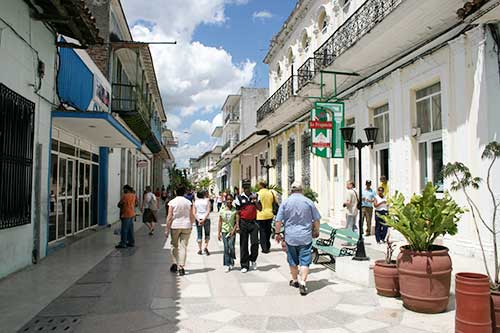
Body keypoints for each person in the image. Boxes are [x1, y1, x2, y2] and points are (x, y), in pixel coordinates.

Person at [275, 181, 321, 296]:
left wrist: (277, 233)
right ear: (302, 190)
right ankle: (303, 282)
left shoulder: (285, 203)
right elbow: (316, 219)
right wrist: (316, 230)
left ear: (291, 191)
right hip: (305, 236)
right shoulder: (308, 202)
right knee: (305, 260)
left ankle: (295, 280)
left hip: (290, 237)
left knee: (292, 260)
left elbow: (278, 220)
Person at [165, 186, 195, 276]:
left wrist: (167, 229)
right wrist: (191, 223)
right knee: (183, 247)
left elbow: (169, 217)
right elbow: (192, 215)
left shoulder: (172, 202)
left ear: (175, 192)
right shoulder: (188, 202)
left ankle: (175, 264)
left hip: (175, 226)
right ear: (184, 193)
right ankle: (181, 267)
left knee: (174, 245)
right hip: (186, 226)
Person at [234, 180, 259, 273]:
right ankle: (244, 265)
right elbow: (237, 213)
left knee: (255, 243)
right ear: (243, 188)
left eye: (248, 186)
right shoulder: (239, 198)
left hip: (253, 223)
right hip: (243, 223)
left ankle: (253, 259)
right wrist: (237, 225)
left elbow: (260, 208)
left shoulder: (255, 196)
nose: (247, 188)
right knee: (243, 244)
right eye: (245, 187)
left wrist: (255, 201)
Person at [217, 194, 239, 272]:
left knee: (231, 246)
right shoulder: (222, 209)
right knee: (226, 247)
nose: (229, 201)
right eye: (228, 199)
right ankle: (227, 264)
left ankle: (232, 260)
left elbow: (237, 221)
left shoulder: (235, 210)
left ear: (232, 200)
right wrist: (218, 233)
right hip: (224, 231)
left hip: (232, 231)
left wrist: (234, 230)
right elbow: (220, 221)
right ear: (225, 200)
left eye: (230, 199)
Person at [256, 181, 277, 253]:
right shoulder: (271, 193)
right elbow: (275, 202)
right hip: (269, 214)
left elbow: (257, 204)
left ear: (261, 185)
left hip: (260, 215)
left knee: (262, 231)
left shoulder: (258, 194)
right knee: (268, 230)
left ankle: (264, 248)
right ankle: (268, 245)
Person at [194, 190, 212, 255]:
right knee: (207, 233)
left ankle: (199, 249)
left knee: (199, 234)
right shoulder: (207, 201)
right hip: (206, 219)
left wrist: (199, 220)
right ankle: (205, 247)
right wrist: (204, 219)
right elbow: (208, 211)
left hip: (198, 218)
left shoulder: (195, 202)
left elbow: (194, 212)